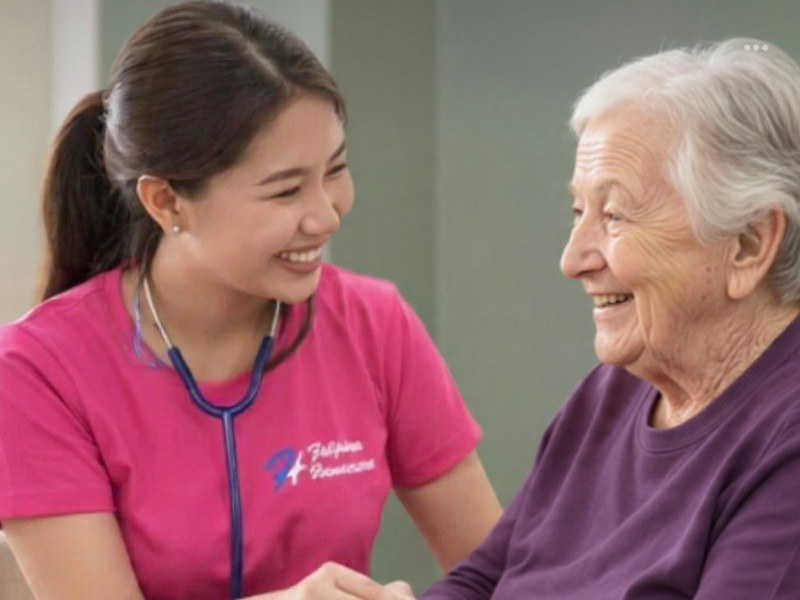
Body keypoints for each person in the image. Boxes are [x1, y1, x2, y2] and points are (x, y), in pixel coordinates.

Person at [0, 2, 502, 600]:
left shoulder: (375, 324)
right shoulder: (37, 370)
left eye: (335, 170)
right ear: (166, 202)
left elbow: (499, 572)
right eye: (285, 190)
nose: (326, 214)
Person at [416, 38, 800, 599]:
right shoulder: (612, 391)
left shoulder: (785, 443)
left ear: (747, 244)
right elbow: (482, 580)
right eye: (579, 211)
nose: (573, 260)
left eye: (615, 214)